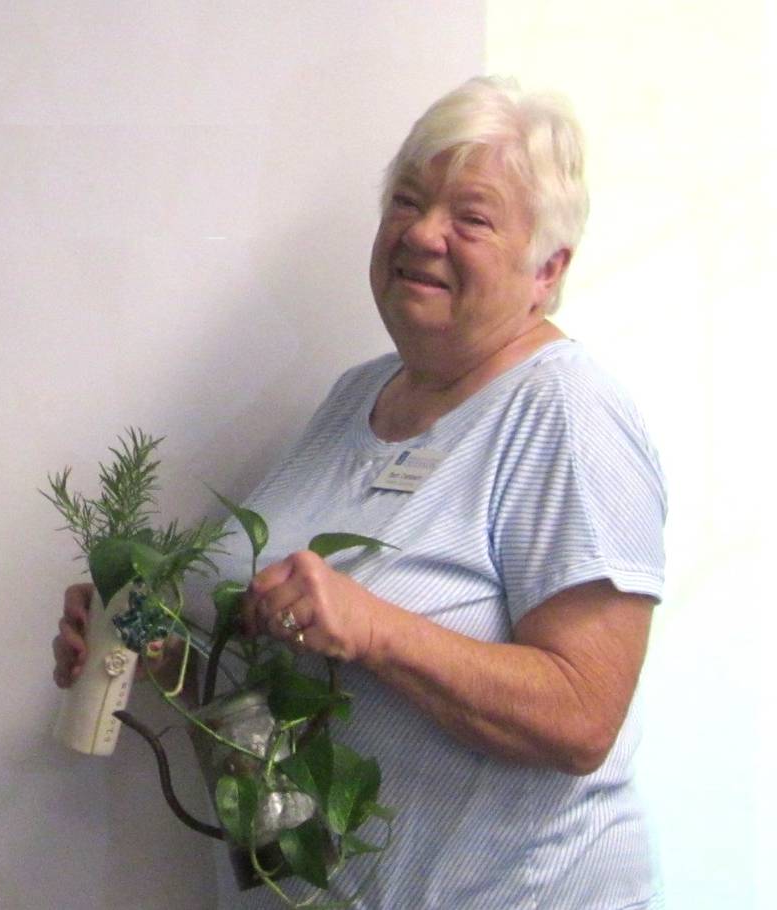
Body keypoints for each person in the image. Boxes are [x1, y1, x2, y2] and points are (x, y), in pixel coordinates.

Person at [54, 76, 667, 909]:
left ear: (547, 268)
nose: (422, 233)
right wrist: (160, 650)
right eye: (407, 201)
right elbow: (272, 699)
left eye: (471, 217)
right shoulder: (356, 398)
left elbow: (582, 717)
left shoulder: (566, 412)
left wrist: (377, 629)